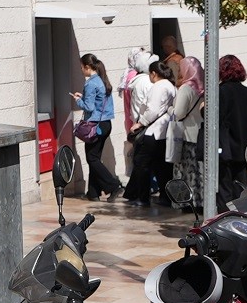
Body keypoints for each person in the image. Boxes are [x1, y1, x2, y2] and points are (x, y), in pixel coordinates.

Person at [215, 55, 247, 207]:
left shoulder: (221, 92)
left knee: (223, 189)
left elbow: (215, 117)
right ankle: (239, 219)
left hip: (224, 147)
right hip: (243, 147)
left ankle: (225, 220)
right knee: (239, 188)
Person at [125, 58, 175, 205]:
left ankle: (143, 197)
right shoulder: (170, 86)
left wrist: (140, 123)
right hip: (164, 130)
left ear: (153, 74)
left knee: (141, 163)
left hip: (153, 131)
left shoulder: (159, 86)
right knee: (162, 166)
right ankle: (166, 197)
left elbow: (152, 110)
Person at [75, 53, 122, 199]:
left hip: (94, 126)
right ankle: (93, 193)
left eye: (82, 67)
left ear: (88, 67)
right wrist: (83, 97)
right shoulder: (102, 80)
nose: (81, 70)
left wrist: (78, 101)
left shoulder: (90, 83)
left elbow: (88, 107)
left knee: (92, 158)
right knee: (94, 157)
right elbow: (98, 103)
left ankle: (113, 186)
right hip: (105, 124)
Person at [166, 55, 205, 209]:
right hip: (201, 134)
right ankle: (201, 201)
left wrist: (169, 109)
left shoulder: (186, 88)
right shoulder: (204, 87)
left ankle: (187, 202)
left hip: (186, 136)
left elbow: (179, 113)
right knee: (199, 171)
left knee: (186, 171)